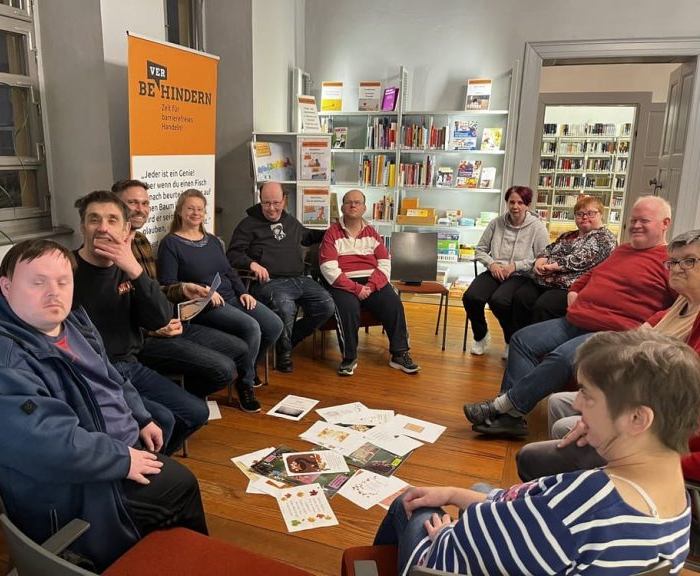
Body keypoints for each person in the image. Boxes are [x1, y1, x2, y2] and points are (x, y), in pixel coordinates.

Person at [0, 240, 207, 571]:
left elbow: (110, 373)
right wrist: (121, 458)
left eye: (63, 281)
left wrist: (140, 416)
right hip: (80, 488)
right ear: (6, 287)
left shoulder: (72, 321)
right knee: (180, 485)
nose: (53, 292)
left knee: (165, 426)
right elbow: (42, 444)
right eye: (38, 282)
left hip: (108, 449)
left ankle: (160, 553)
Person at [374, 329, 700, 575]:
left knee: (411, 503)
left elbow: (460, 550)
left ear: (637, 418)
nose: (575, 404)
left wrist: (445, 534)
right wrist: (455, 494)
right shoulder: (676, 499)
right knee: (479, 492)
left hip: (449, 560)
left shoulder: (580, 504)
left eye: (587, 395)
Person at [463, 196, 675, 438]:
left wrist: (650, 324)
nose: (636, 225)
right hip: (577, 319)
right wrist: (574, 292)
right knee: (522, 340)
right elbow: (590, 275)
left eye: (644, 221)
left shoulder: (670, 261)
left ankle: (502, 407)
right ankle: (512, 416)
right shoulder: (623, 250)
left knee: (562, 358)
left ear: (665, 223)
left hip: (613, 330)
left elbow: (682, 305)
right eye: (633, 220)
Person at [516, 228, 700, 482]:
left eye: (689, 261)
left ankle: (581, 488)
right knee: (557, 397)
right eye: (674, 262)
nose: (677, 268)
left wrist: (613, 415)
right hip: (639, 398)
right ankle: (569, 486)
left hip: (656, 426)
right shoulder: (681, 302)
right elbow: (635, 342)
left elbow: (673, 395)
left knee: (539, 448)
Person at [72, 190, 208, 455]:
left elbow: (160, 317)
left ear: (125, 230)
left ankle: (156, 464)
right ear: (82, 227)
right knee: (161, 420)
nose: (103, 228)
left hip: (131, 366)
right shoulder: (67, 269)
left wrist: (134, 269)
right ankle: (147, 474)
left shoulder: (128, 268)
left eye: (112, 220)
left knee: (196, 412)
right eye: (94, 220)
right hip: (94, 374)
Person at [111, 179, 253, 403]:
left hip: (172, 320)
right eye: (133, 203)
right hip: (147, 337)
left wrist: (185, 289)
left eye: (145, 203)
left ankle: (181, 399)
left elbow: (155, 290)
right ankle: (177, 402)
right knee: (225, 368)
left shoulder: (140, 241)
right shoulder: (109, 252)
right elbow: (112, 313)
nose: (141, 208)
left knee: (240, 348)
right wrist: (152, 329)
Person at [157, 189, 283, 412]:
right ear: (180, 212)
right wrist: (202, 290)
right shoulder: (171, 244)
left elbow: (229, 271)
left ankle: (247, 368)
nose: (196, 213)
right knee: (252, 327)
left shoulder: (213, 241)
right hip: (204, 305)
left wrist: (243, 292)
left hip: (232, 297)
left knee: (274, 325)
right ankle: (245, 385)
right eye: (190, 209)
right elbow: (168, 283)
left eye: (200, 209)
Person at [226, 181, 335, 372]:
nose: (271, 208)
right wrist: (251, 264)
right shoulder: (248, 225)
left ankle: (289, 340)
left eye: (276, 203)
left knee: (326, 306)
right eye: (266, 203)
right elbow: (233, 254)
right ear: (260, 201)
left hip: (299, 278)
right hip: (270, 282)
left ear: (284, 200)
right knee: (286, 308)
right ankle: (284, 354)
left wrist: (332, 233)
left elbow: (306, 236)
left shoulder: (289, 221)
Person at [318, 189, 419, 376]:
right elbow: (328, 267)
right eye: (349, 202)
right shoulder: (331, 233)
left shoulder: (372, 232)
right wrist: (355, 289)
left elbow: (385, 262)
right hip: (344, 282)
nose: (353, 205)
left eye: (357, 202)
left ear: (364, 207)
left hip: (372, 281)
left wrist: (371, 286)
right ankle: (349, 358)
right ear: (342, 207)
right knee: (347, 308)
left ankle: (399, 354)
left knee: (393, 303)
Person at [463, 185, 549, 357]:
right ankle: (481, 335)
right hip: (496, 270)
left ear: (528, 205)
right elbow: (480, 249)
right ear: (507, 203)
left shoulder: (537, 227)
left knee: (499, 301)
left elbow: (544, 256)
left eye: (520, 202)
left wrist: (516, 265)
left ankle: (511, 339)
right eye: (511, 202)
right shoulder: (496, 223)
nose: (515, 206)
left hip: (520, 274)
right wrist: (492, 264)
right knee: (471, 297)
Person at [511, 195, 617, 328]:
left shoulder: (605, 238)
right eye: (580, 214)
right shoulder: (568, 235)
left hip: (570, 287)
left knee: (544, 306)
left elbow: (580, 259)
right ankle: (516, 340)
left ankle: (539, 346)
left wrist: (553, 266)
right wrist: (540, 260)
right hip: (544, 280)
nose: (584, 217)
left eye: (590, 213)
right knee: (521, 298)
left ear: (601, 215)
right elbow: (550, 248)